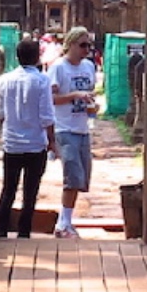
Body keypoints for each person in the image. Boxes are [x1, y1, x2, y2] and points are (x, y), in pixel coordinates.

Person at [0, 36, 52, 238]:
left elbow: (0, 114)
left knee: (8, 189)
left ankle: (0, 228)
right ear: (37, 57)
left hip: (11, 143)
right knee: (30, 192)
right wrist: (52, 142)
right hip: (36, 143)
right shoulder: (42, 81)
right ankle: (24, 231)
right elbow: (46, 117)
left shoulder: (4, 80)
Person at [48, 26, 100, 237]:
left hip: (82, 128)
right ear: (70, 44)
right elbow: (50, 99)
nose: (86, 50)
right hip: (64, 127)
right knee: (73, 176)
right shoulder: (58, 68)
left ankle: (67, 221)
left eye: (89, 45)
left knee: (82, 178)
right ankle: (62, 224)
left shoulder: (88, 66)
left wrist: (92, 105)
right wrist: (73, 96)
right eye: (82, 45)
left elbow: (91, 92)